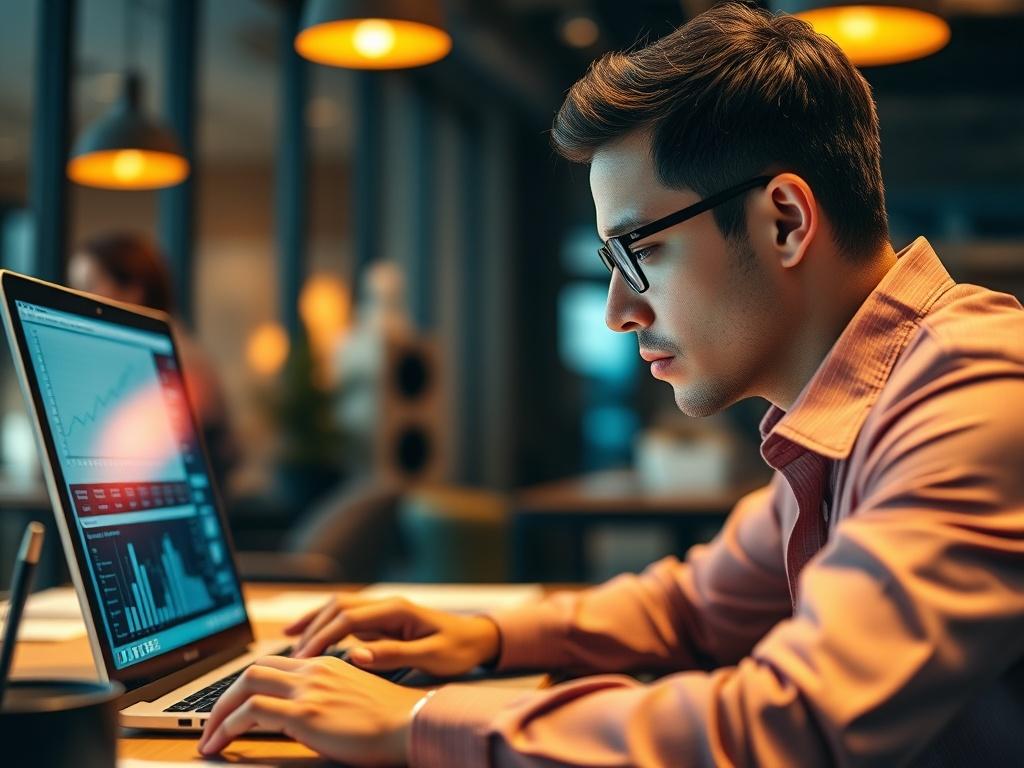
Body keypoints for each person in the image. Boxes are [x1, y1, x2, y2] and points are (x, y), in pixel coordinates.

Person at [198, 4, 1024, 766]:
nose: (617, 311)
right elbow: (695, 608)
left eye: (639, 251)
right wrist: (481, 637)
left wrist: (413, 723)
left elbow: (796, 720)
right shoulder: (851, 405)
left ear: (785, 220)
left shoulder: (973, 390)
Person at [67, 232, 240, 495]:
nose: (77, 297)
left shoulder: (178, 360)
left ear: (133, 290)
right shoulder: (167, 349)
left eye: (89, 285)